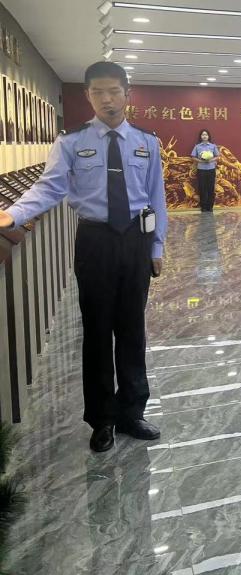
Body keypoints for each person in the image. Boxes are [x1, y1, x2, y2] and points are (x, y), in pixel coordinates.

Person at [0, 61, 167, 453]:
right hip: (94, 240)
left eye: (114, 91)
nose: (107, 99)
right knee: (97, 331)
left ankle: (132, 412)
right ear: (88, 96)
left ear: (128, 94)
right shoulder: (71, 142)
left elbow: (156, 197)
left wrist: (157, 247)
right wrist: (14, 214)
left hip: (136, 240)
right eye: (98, 92)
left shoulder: (147, 142)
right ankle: (102, 419)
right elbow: (49, 188)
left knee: (133, 329)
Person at [190, 129, 220, 212]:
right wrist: (200, 161)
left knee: (211, 188)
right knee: (202, 188)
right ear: (200, 136)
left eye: (206, 135)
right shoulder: (197, 146)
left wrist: (211, 160)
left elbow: (217, 156)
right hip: (201, 169)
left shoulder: (213, 146)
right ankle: (203, 206)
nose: (204, 136)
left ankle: (210, 206)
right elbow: (193, 157)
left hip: (211, 169)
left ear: (208, 136)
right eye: (203, 135)